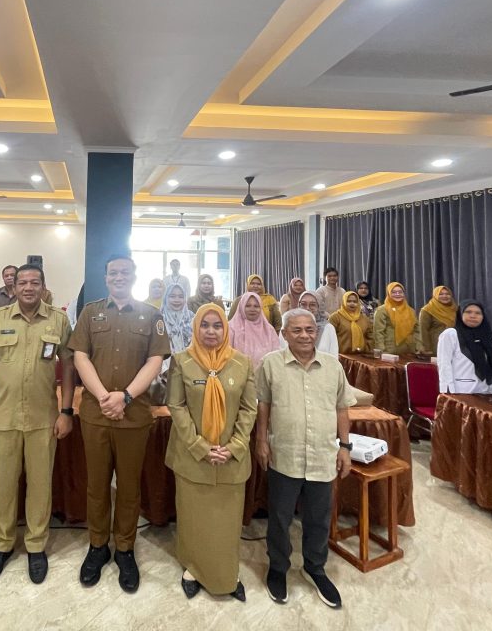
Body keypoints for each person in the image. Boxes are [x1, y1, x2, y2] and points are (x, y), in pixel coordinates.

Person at [70, 255, 170, 593]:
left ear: (134, 276)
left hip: (134, 415)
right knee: (96, 485)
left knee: (128, 487)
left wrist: (124, 397)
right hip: (96, 416)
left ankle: (125, 549)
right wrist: (103, 397)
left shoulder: (150, 315)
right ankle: (98, 546)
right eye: (113, 272)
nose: (119, 277)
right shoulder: (90, 312)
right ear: (105, 276)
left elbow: (155, 361)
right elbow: (80, 356)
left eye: (125, 272)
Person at [0, 264, 74, 585]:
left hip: (44, 418)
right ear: (13, 288)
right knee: (3, 485)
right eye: (22, 282)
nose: (28, 287)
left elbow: (68, 367)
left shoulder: (58, 319)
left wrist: (66, 411)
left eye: (35, 282)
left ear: (43, 286)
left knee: (40, 485)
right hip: (4, 418)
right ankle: (2, 545)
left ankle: (36, 545)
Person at [255, 308, 355, 609]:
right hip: (284, 452)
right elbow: (264, 406)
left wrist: (345, 447)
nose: (304, 335)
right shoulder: (270, 364)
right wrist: (261, 440)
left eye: (309, 330)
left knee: (318, 518)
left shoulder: (333, 366)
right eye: (296, 330)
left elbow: (342, 408)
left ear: (317, 332)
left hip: (323, 454)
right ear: (284, 334)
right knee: (280, 517)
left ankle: (315, 568)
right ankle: (278, 568)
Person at [166, 304, 256, 602]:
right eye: (205, 325)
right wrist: (200, 448)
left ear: (226, 329)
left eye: (217, 326)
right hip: (193, 458)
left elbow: (249, 408)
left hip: (231, 460)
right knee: (193, 517)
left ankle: (226, 571)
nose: (211, 332)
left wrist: (235, 447)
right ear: (196, 328)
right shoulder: (182, 361)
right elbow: (176, 407)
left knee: (226, 522)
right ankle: (192, 567)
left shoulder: (242, 363)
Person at [437, 300, 492, 395]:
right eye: (468, 312)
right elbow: (444, 364)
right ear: (460, 314)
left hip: (488, 391)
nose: (473, 316)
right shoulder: (451, 334)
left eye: (478, 313)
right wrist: (448, 392)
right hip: (462, 391)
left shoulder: (490, 337)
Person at [228, 291, 280, 369]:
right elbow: (225, 355)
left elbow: (276, 356)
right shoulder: (231, 328)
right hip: (236, 375)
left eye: (256, 306)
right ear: (241, 307)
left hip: (264, 375)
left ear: (261, 308)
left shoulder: (269, 329)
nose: (252, 309)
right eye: (248, 306)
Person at [373, 282, 420, 355]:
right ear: (388, 294)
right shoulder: (382, 310)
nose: (397, 294)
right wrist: (381, 350)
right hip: (390, 351)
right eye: (394, 292)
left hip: (409, 351)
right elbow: (378, 332)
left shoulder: (411, 311)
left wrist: (418, 347)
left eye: (400, 292)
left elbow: (417, 330)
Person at [299, 291, 338, 356]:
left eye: (312, 304)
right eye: (303, 304)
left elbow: (334, 355)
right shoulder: (290, 327)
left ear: (319, 307)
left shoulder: (328, 328)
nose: (307, 308)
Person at [419, 286, 456, 353]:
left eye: (447, 294)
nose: (445, 296)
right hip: (436, 347)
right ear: (435, 295)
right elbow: (423, 330)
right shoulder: (427, 310)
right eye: (440, 294)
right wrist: (427, 349)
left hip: (453, 345)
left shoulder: (455, 309)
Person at [162, 284, 195, 358]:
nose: (177, 300)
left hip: (189, 361)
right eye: (172, 296)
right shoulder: (159, 318)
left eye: (181, 297)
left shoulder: (192, 317)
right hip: (164, 363)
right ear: (166, 298)